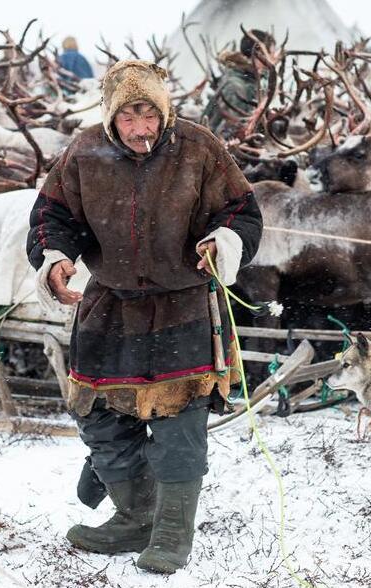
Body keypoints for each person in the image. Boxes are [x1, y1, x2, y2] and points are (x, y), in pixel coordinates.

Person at [26, 60, 262, 574]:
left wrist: (221, 242)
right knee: (100, 416)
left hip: (183, 305)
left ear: (164, 110)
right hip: (108, 305)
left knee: (180, 422)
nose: (141, 129)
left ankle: (173, 531)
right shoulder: (84, 152)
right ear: (112, 116)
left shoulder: (199, 148)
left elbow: (241, 212)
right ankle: (135, 517)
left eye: (149, 114)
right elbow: (53, 216)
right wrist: (56, 257)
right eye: (129, 116)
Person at [202, 29, 276, 138]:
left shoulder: (253, 81)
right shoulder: (236, 87)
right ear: (258, 54)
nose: (274, 58)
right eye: (270, 53)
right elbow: (225, 134)